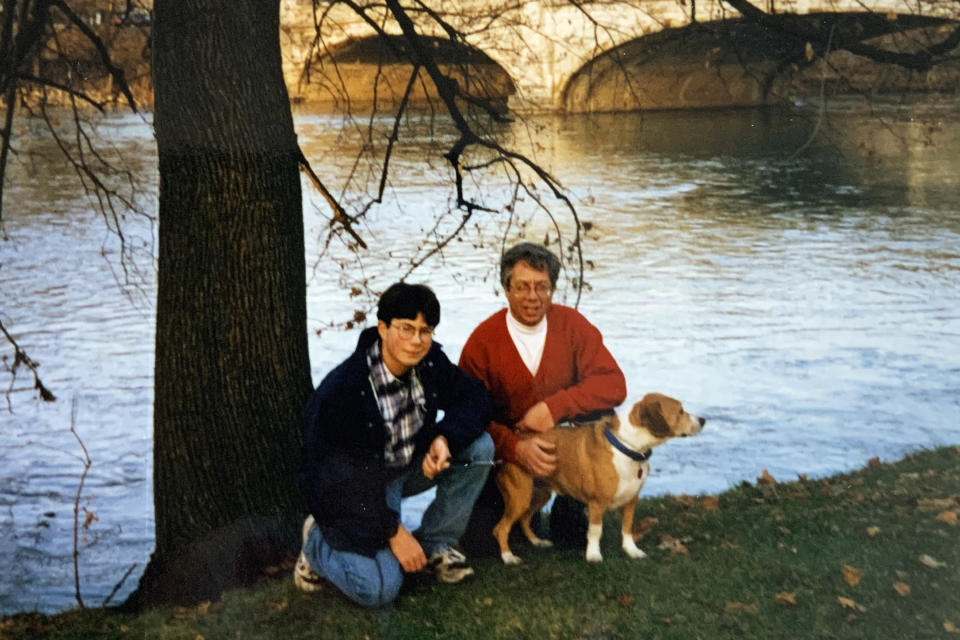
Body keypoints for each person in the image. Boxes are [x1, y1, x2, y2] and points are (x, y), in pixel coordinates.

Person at [295, 282, 493, 607]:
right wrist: (393, 531)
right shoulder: (343, 391)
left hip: (406, 469)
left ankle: (437, 545)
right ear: (383, 328)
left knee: (479, 448)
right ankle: (316, 543)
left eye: (425, 330)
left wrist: (445, 437)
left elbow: (475, 396)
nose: (416, 341)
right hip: (356, 491)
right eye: (406, 328)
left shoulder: (429, 364)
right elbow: (331, 481)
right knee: (379, 589)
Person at [458, 242, 626, 554]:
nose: (532, 297)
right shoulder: (482, 342)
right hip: (507, 457)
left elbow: (614, 384)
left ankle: (572, 505)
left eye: (542, 287)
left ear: (553, 290)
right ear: (506, 289)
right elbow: (465, 414)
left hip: (566, 454)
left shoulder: (573, 325)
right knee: (481, 544)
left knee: (598, 405)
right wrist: (516, 448)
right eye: (522, 287)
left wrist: (554, 407)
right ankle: (511, 510)